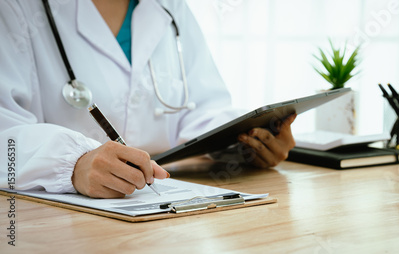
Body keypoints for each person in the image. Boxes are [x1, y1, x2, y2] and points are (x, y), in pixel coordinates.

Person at [0, 0, 296, 198]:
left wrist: (247, 140)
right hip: (54, 226)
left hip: (163, 211)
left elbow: (201, 109)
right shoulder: (19, 8)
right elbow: (5, 133)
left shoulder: (169, 6)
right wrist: (72, 164)